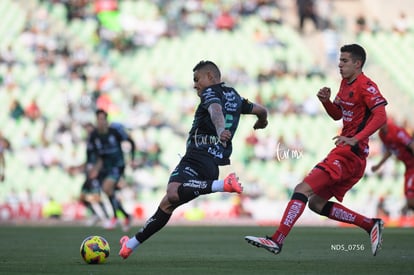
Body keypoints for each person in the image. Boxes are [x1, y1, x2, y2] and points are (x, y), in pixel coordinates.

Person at [245, 44, 388, 256]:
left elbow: (381, 116)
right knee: (316, 203)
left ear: (358, 64)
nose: (339, 65)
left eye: (345, 61)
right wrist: (326, 102)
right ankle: (369, 224)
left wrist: (355, 139)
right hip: (350, 154)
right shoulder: (344, 83)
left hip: (349, 154)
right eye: (339, 60)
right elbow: (337, 115)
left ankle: (277, 240)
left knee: (302, 189)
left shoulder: (366, 86)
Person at [118, 60, 268, 259]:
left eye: (197, 79)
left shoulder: (210, 92)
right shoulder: (235, 96)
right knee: (167, 204)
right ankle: (130, 245)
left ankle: (223, 185)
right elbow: (261, 110)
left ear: (210, 77)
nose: (195, 84)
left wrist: (221, 129)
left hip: (197, 156)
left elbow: (215, 110)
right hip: (212, 164)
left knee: (172, 193)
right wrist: (262, 121)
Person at [88, 109, 137, 231]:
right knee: (109, 192)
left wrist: (132, 158)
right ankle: (126, 216)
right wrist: (95, 169)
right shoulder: (94, 136)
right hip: (105, 167)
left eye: (103, 119)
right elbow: (98, 156)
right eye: (99, 119)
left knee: (106, 188)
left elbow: (131, 141)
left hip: (117, 165)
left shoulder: (114, 132)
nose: (101, 122)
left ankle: (115, 218)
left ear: (106, 120)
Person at [371, 119, 414, 215]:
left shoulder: (397, 131)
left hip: (412, 166)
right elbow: (389, 151)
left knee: (411, 201)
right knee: (410, 203)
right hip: (408, 167)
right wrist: (379, 165)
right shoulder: (381, 135)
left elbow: (412, 145)